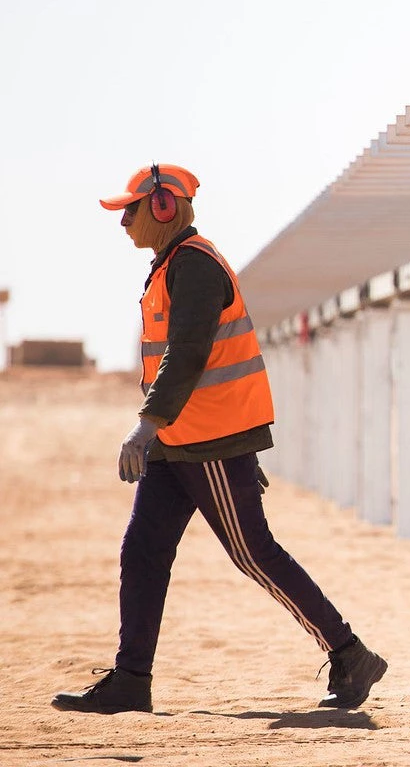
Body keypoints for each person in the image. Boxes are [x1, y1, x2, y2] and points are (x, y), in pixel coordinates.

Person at [51, 164, 387, 714]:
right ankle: (131, 679)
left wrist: (146, 425)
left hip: (208, 438)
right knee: (142, 551)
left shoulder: (195, 267)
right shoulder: (170, 267)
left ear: (163, 209)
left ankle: (350, 654)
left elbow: (188, 354)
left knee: (253, 553)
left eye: (130, 211)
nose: (124, 223)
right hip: (181, 440)